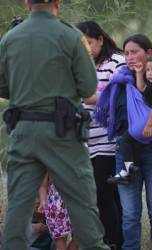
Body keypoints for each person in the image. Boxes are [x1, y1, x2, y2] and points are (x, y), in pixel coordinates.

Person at [0, 1, 109, 249]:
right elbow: (88, 87)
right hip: (63, 131)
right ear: (58, 3)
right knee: (81, 200)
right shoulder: (71, 35)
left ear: (28, 3)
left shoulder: (10, 38)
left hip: (23, 130)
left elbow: (3, 86)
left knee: (18, 203)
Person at [95, 33, 152, 250]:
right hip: (126, 155)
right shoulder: (121, 80)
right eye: (126, 53)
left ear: (149, 53)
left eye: (135, 51)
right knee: (131, 214)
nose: (130, 57)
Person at [76, 20, 124, 249]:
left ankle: (113, 242)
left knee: (103, 193)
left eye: (89, 42)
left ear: (101, 40)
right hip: (87, 141)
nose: (86, 48)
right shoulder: (79, 65)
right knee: (107, 195)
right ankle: (117, 240)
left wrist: (90, 97)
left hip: (110, 138)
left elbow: (119, 96)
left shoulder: (117, 61)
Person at [107, 52, 152, 184]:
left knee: (125, 141)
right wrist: (139, 73)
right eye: (148, 70)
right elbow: (142, 89)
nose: (150, 73)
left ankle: (128, 168)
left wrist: (148, 125)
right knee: (136, 145)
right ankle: (128, 171)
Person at [38, 174, 78, 250]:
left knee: (80, 236)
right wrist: (43, 201)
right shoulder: (50, 163)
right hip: (56, 207)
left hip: (76, 203)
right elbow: (43, 185)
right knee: (60, 241)